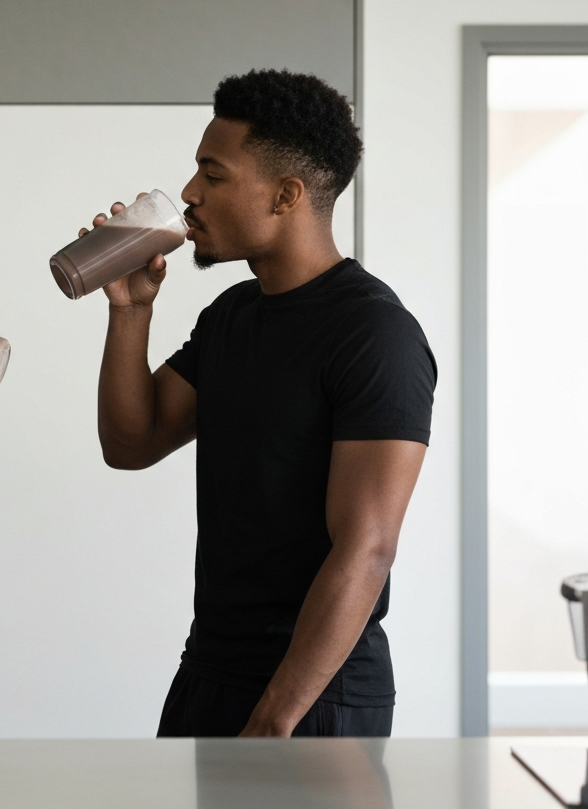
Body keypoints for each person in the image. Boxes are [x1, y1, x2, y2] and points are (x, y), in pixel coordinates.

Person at [91, 70, 436, 738]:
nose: (188, 194)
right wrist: (131, 311)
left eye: (212, 175)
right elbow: (131, 443)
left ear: (286, 195)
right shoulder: (233, 316)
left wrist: (274, 721)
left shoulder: (374, 333)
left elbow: (366, 547)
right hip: (211, 674)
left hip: (314, 697)